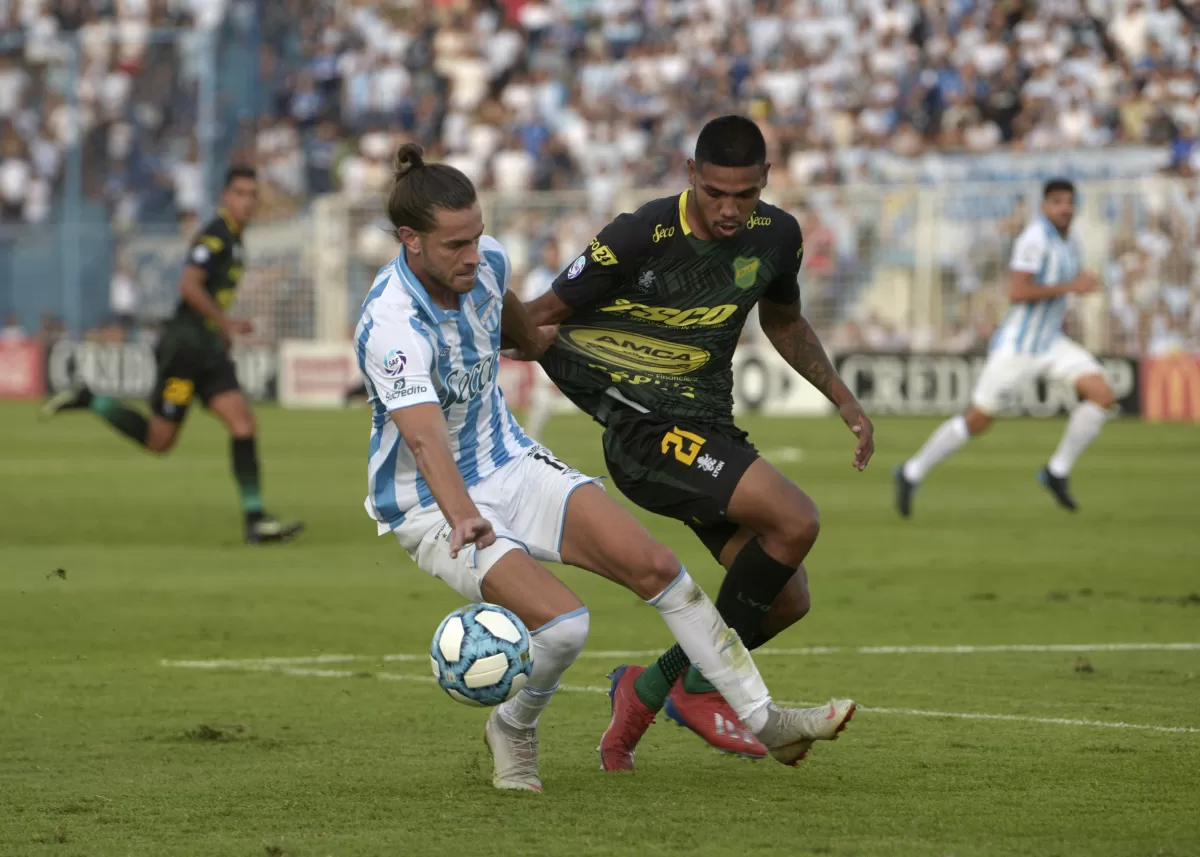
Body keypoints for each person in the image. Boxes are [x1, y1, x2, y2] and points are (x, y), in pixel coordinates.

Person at [358, 143, 856, 794]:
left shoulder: (481, 265)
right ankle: (512, 726)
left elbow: (512, 310)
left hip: (511, 460)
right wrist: (463, 516)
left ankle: (766, 719)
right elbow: (424, 441)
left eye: (477, 237)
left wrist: (544, 344)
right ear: (409, 241)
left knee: (661, 570)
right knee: (565, 627)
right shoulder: (389, 324)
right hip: (433, 501)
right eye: (455, 244)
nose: (473, 255)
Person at [523, 115, 874, 770]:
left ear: (766, 182)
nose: (730, 209)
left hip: (709, 432)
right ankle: (701, 689)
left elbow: (785, 319)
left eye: (745, 194)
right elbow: (539, 321)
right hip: (644, 435)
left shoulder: (779, 238)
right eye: (716, 192)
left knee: (786, 597)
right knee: (797, 519)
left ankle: (646, 688)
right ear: (692, 176)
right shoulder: (640, 235)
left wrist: (843, 399)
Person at [40, 166, 303, 545]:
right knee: (159, 441)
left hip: (208, 349)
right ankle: (91, 399)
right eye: (240, 193)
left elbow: (211, 294)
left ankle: (255, 520)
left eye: (252, 194)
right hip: (183, 351)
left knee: (243, 425)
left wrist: (221, 332)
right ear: (225, 198)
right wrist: (224, 324)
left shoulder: (236, 240)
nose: (247, 201)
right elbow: (189, 285)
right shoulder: (214, 238)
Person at [894, 178, 1114, 516]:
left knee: (1101, 395)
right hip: (1019, 346)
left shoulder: (1071, 241)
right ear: (1044, 207)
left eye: (1069, 201)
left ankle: (1056, 472)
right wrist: (1073, 285)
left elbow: (1063, 285)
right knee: (977, 420)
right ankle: (911, 472)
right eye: (1057, 202)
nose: (1065, 207)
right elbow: (1018, 292)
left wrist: (1081, 284)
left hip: (1051, 342)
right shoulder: (1034, 239)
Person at [519, 240, 562, 441]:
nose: (551, 256)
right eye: (548, 253)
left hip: (561, 340)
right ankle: (531, 436)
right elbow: (527, 309)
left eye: (554, 252)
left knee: (546, 391)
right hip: (541, 339)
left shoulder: (564, 275)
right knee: (544, 388)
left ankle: (530, 436)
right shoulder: (536, 278)